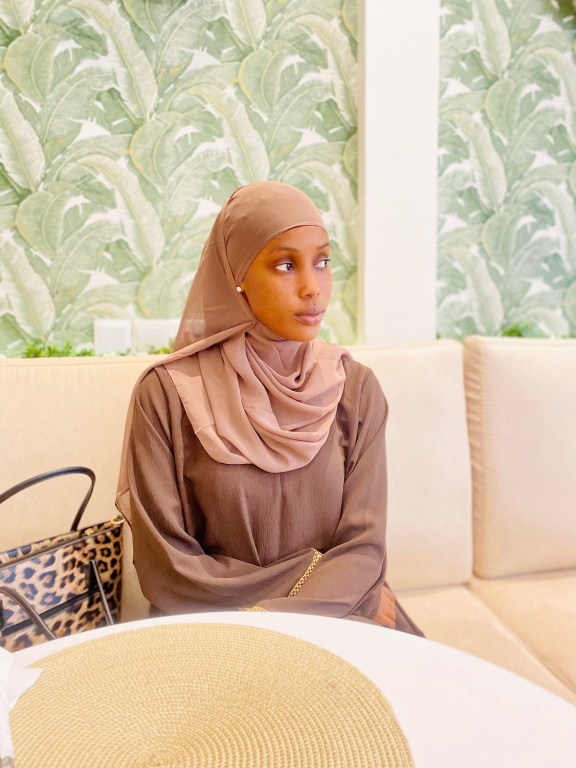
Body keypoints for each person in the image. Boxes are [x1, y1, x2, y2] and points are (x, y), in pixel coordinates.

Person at [116, 181, 422, 635]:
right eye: (285, 265)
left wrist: (345, 595)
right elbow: (168, 569)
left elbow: (363, 550)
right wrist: (319, 587)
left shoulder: (356, 390)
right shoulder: (166, 395)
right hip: (217, 632)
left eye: (322, 262)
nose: (312, 288)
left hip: (343, 625)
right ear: (236, 274)